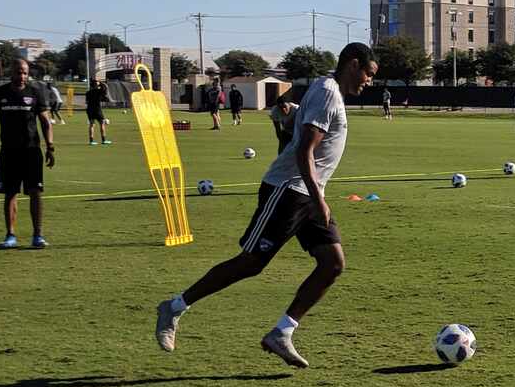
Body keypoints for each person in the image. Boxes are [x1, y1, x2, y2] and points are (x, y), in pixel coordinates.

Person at [155, 43, 378, 368]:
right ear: (353, 64)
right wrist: (318, 199)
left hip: (308, 192)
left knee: (332, 263)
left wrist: (316, 194)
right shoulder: (328, 91)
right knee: (251, 263)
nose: (369, 82)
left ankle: (282, 332)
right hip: (289, 191)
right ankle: (174, 307)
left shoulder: (327, 91)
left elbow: (294, 133)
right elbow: (303, 150)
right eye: (368, 74)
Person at [0, 59, 55, 249]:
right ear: (10, 72)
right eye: (18, 72)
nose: (22, 76)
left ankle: (38, 235)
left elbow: (46, 123)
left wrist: (50, 147)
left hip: (31, 151)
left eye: (25, 73)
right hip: (9, 152)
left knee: (35, 192)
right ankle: (10, 235)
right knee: (10, 193)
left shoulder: (35, 93)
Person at [85, 81, 111, 145]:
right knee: (102, 124)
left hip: (89, 109)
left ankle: (91, 141)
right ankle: (104, 140)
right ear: (96, 85)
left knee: (91, 125)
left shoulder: (88, 92)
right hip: (97, 109)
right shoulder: (98, 91)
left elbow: (86, 101)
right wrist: (101, 83)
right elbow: (106, 88)